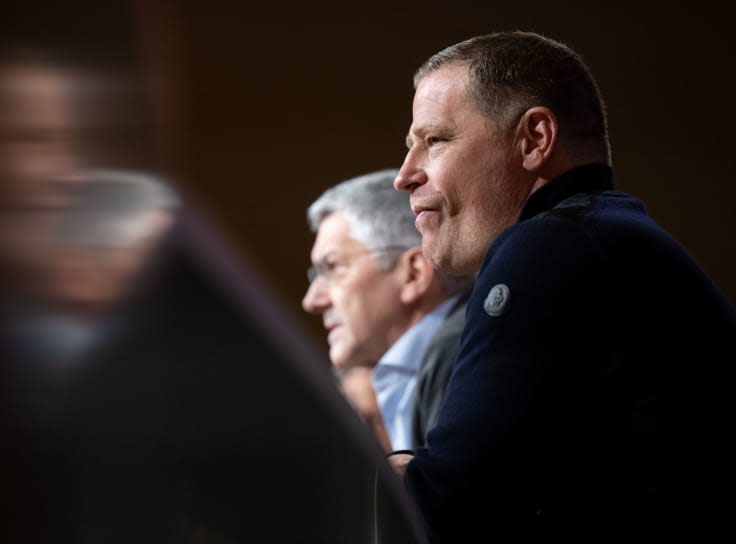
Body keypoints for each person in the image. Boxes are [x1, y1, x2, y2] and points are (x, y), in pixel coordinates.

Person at [390, 30, 736, 543]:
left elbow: (447, 506)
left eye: (435, 140)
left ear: (534, 140)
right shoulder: (602, 237)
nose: (404, 175)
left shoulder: (555, 245)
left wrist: (374, 467)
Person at [302, 169, 472, 452]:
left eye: (332, 267)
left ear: (414, 273)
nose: (312, 301)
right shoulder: (412, 373)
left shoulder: (466, 359)